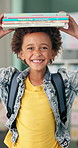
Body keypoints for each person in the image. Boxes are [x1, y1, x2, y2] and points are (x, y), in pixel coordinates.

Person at [0, 13, 78, 148]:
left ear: (53, 52)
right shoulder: (9, 80)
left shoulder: (64, 82)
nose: (37, 53)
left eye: (44, 47)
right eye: (30, 48)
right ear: (21, 53)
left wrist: (77, 33)